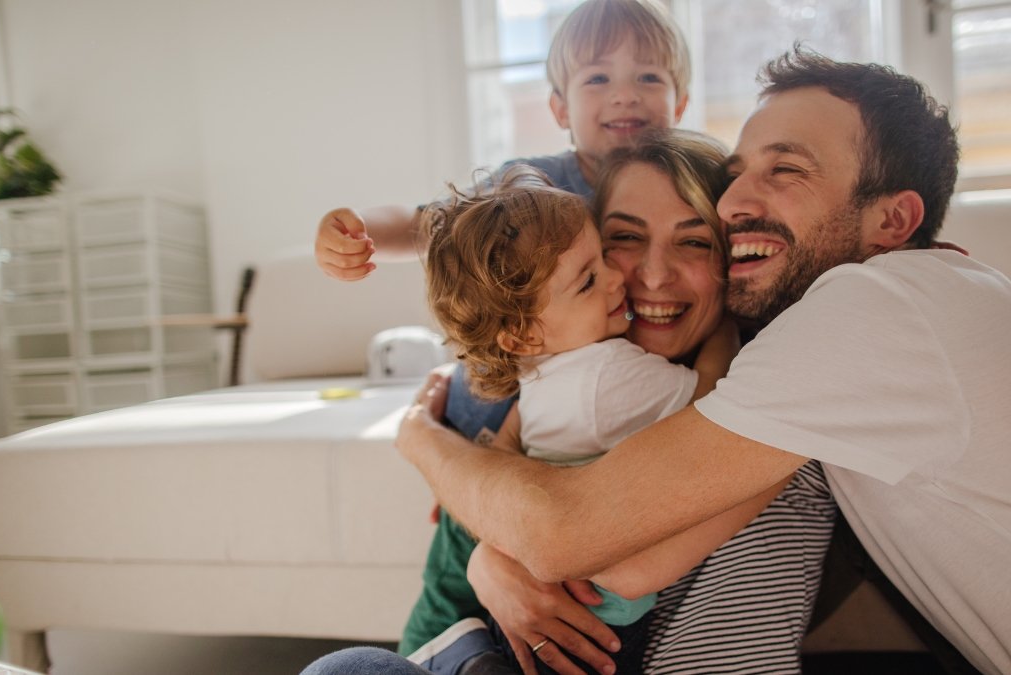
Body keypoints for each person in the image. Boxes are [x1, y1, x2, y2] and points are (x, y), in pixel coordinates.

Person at [395, 47, 1011, 675]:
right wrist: (496, 551)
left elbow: (585, 540)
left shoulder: (875, 310)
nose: (736, 200)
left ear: (892, 220)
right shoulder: (854, 333)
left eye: (786, 170)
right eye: (738, 173)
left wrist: (421, 440)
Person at [302, 130, 835, 675]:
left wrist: (428, 446)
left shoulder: (769, 404)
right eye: (619, 242)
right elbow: (505, 463)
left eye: (695, 241)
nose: (644, 277)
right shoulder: (570, 366)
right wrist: (486, 540)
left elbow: (589, 549)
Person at [312, 0, 690, 280]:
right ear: (561, 110)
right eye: (597, 79)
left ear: (680, 106)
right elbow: (427, 224)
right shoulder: (527, 184)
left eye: (648, 78)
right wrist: (359, 229)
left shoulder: (699, 184)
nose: (624, 95)